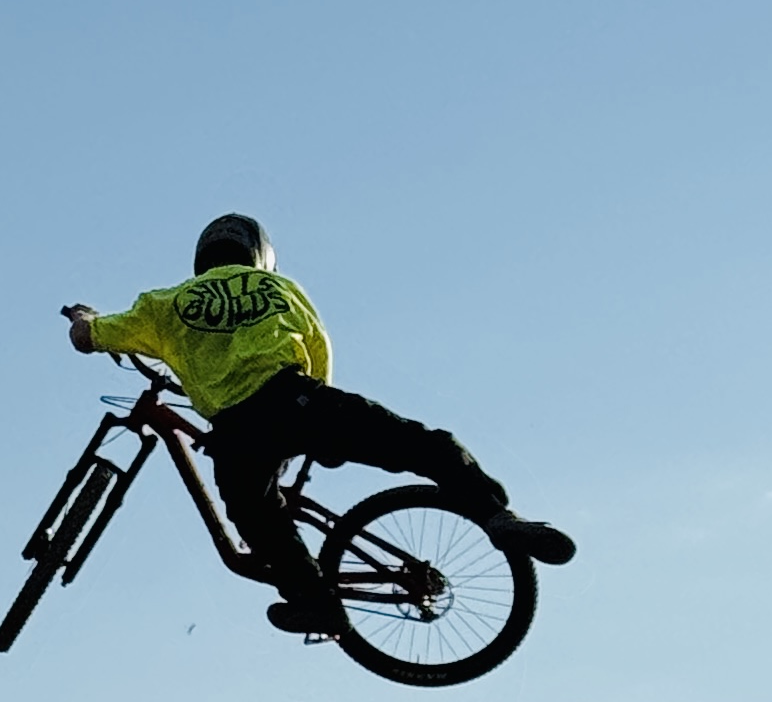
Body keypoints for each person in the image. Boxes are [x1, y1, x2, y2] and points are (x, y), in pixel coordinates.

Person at [65, 216, 574, 637]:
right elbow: (317, 350)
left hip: (237, 433)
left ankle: (317, 604)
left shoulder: (165, 305)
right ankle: (495, 515)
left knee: (257, 520)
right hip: (298, 401)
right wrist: (315, 432)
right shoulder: (279, 287)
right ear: (257, 255)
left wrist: (84, 318)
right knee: (419, 444)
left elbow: (91, 337)